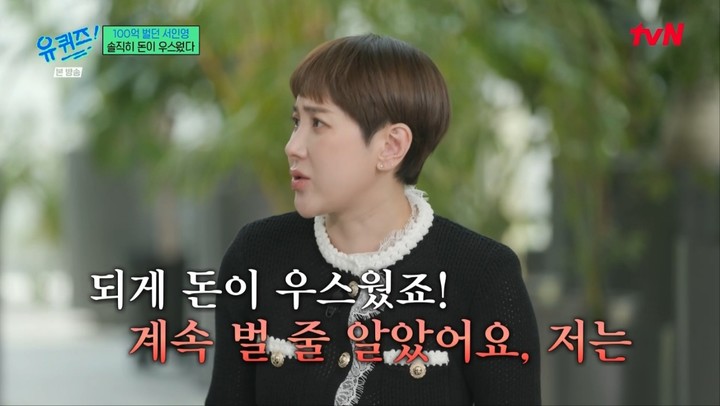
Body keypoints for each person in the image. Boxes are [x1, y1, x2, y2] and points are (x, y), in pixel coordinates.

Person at [205, 33, 540, 405]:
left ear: (391, 146)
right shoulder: (256, 255)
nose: (292, 146)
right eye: (297, 121)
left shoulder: (483, 275)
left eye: (318, 124)